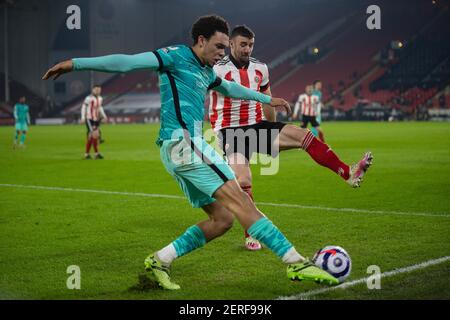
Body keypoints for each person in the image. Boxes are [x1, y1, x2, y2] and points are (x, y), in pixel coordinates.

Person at [43, 15, 342, 290]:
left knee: (222, 219)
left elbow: (231, 90)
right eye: (218, 46)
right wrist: (76, 63)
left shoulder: (206, 70)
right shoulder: (174, 57)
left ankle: (160, 259)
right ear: (200, 40)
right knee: (240, 200)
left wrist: (267, 98)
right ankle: (294, 262)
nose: (222, 53)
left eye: (226, 47)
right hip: (183, 143)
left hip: (181, 150)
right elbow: (127, 62)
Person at [211, 26, 372, 252]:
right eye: (243, 45)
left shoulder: (260, 68)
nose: (247, 49)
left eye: (251, 45)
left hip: (258, 126)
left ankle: (348, 172)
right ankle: (251, 234)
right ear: (232, 44)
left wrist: (274, 129)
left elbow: (268, 100)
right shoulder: (217, 70)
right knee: (244, 180)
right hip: (231, 131)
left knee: (303, 135)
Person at [81, 85, 107, 159]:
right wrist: (83, 117)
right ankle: (95, 154)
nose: (98, 91)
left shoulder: (100, 98)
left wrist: (104, 116)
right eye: (96, 90)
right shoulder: (88, 98)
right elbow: (83, 107)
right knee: (95, 135)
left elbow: (100, 107)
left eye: (99, 90)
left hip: (96, 119)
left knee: (92, 137)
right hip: (90, 119)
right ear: (93, 90)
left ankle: (89, 154)